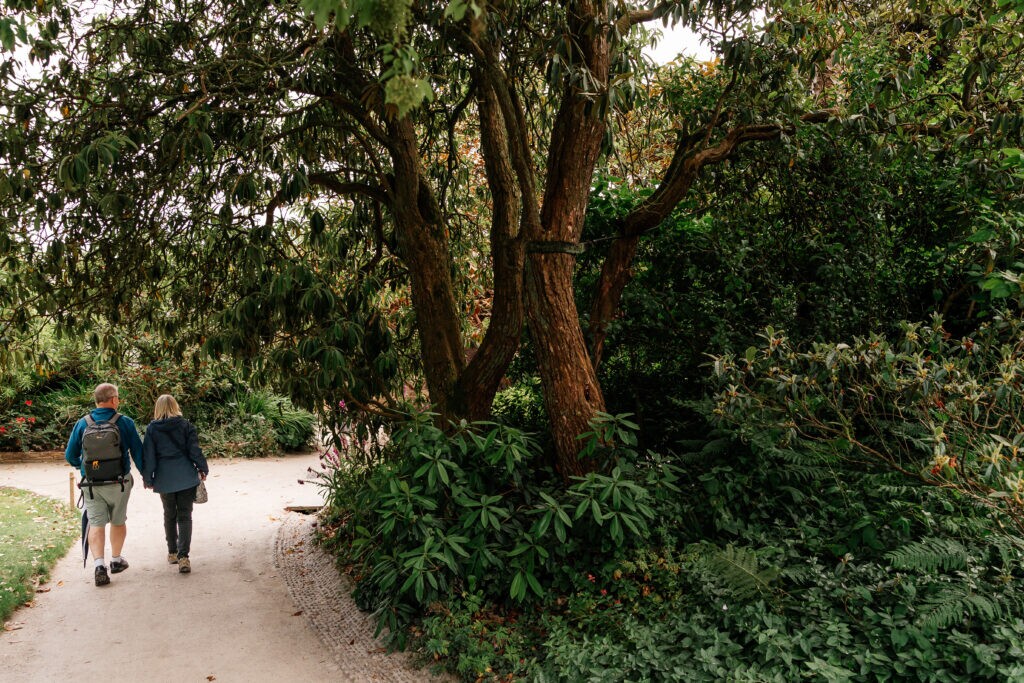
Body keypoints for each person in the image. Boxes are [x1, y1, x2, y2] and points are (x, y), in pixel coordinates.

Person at [65, 382, 144, 587]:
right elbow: (138, 452)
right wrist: (148, 476)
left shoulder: (82, 423)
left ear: (96, 401)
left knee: (96, 523)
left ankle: (99, 566)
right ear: (114, 400)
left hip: (92, 484)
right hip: (119, 482)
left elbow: (70, 455)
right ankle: (116, 560)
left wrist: (84, 468)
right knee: (118, 521)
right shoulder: (125, 422)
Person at [142, 394, 209, 574]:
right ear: (175, 406)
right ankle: (183, 557)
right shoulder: (186, 425)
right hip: (186, 476)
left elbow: (149, 456)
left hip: (164, 478)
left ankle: (172, 552)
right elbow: (195, 451)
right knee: (185, 516)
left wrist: (148, 478)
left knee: (169, 514)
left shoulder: (152, 429)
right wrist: (203, 468)